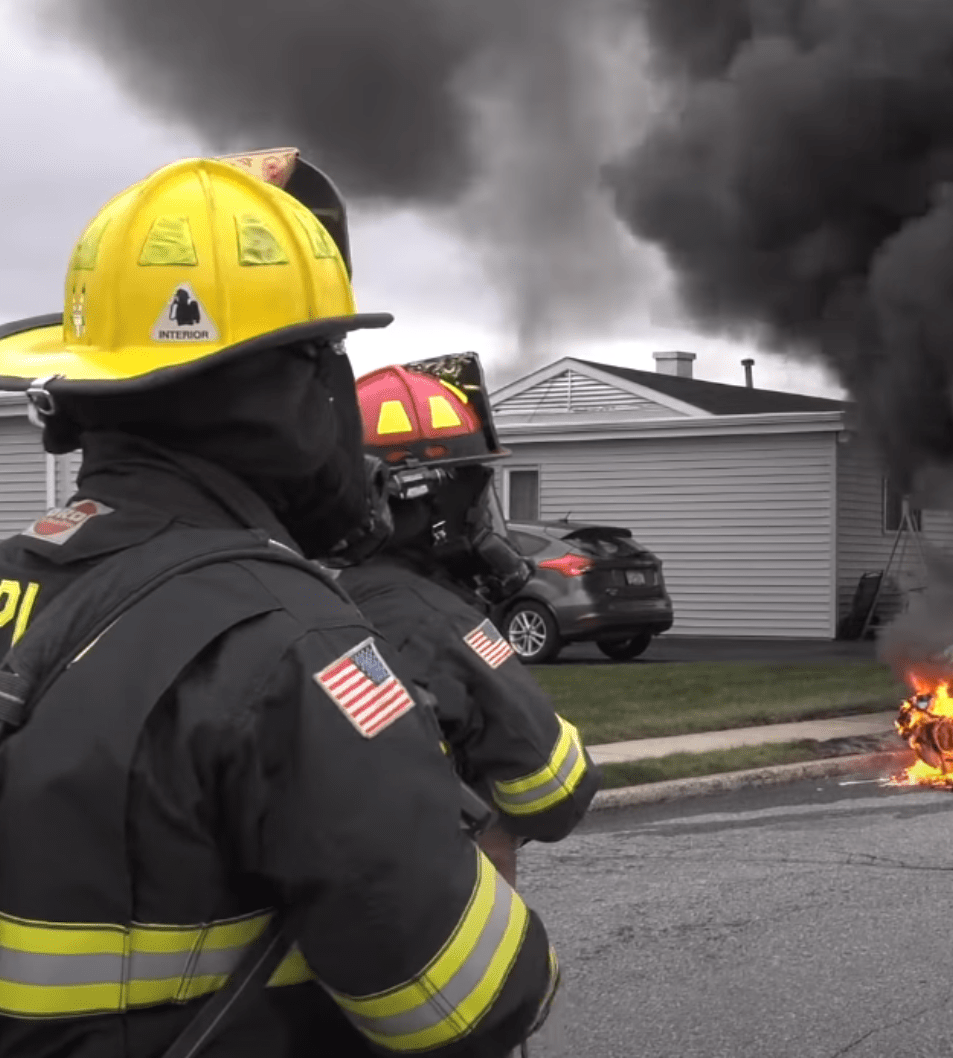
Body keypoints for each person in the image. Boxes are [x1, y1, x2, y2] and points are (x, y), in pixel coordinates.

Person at [0, 152, 560, 1057]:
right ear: (293, 397)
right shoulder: (289, 637)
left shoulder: (23, 575)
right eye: (328, 362)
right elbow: (468, 1002)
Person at [335, 354, 601, 885]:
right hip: (438, 919)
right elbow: (556, 793)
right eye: (474, 490)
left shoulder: (317, 600)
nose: (482, 512)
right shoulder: (443, 626)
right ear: (430, 502)